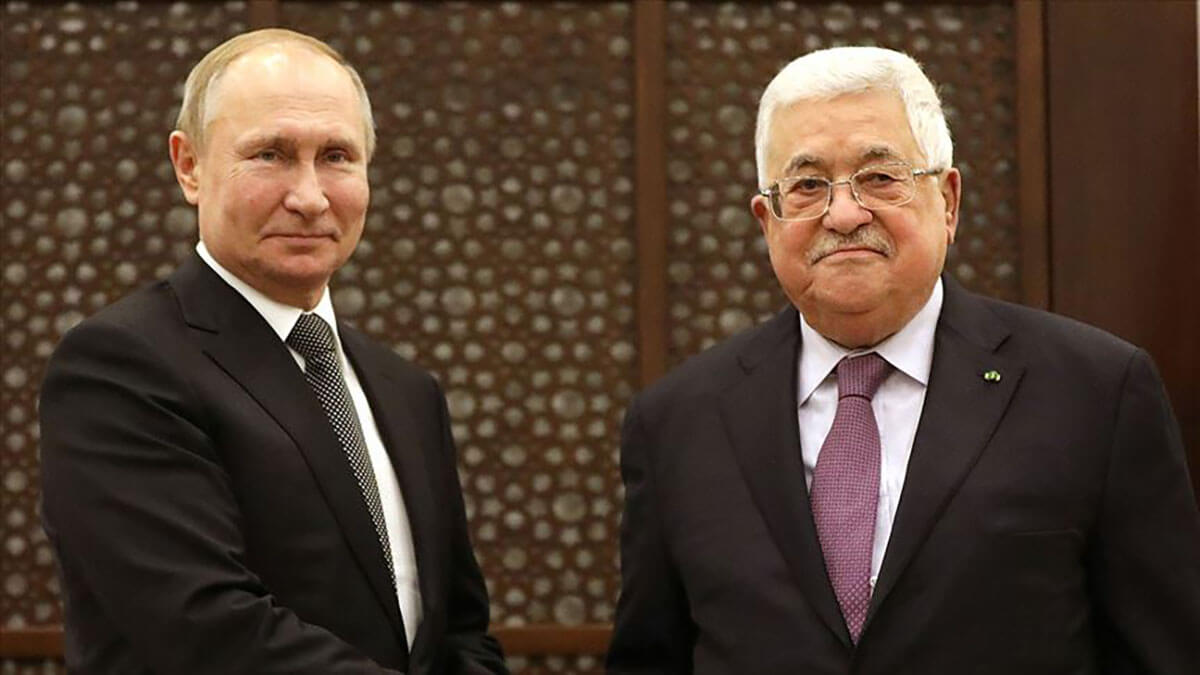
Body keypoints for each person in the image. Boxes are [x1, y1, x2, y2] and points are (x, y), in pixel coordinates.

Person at [606, 46, 1200, 674]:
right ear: (767, 220)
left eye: (880, 177)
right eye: (807, 186)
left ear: (948, 201)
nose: (843, 214)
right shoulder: (677, 422)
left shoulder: (1094, 393)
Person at [39, 29, 507, 674]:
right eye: (270, 154)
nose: (310, 197)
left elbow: (460, 630)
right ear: (189, 166)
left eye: (336, 156)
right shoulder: (120, 367)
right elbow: (204, 629)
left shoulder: (406, 390)